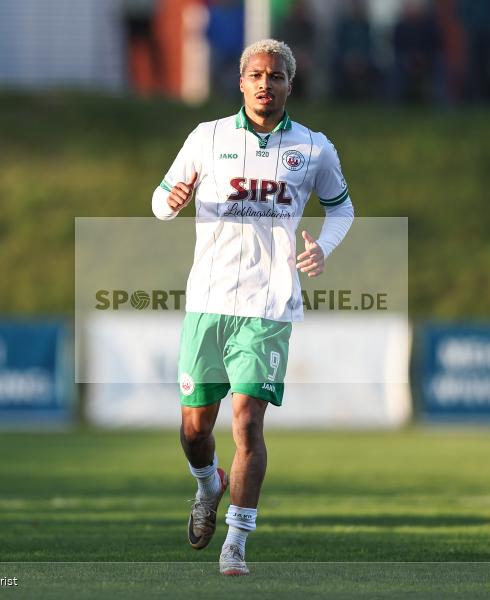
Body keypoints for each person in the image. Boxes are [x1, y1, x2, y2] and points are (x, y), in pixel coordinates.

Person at [151, 38, 354, 576]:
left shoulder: (313, 148)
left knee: (247, 422)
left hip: (269, 305)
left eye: (276, 76)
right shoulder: (207, 136)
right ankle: (207, 484)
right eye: (257, 75)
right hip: (208, 301)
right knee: (195, 429)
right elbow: (160, 199)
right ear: (241, 82)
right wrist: (171, 203)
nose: (266, 84)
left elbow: (342, 209)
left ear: (290, 86)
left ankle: (237, 540)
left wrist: (322, 248)